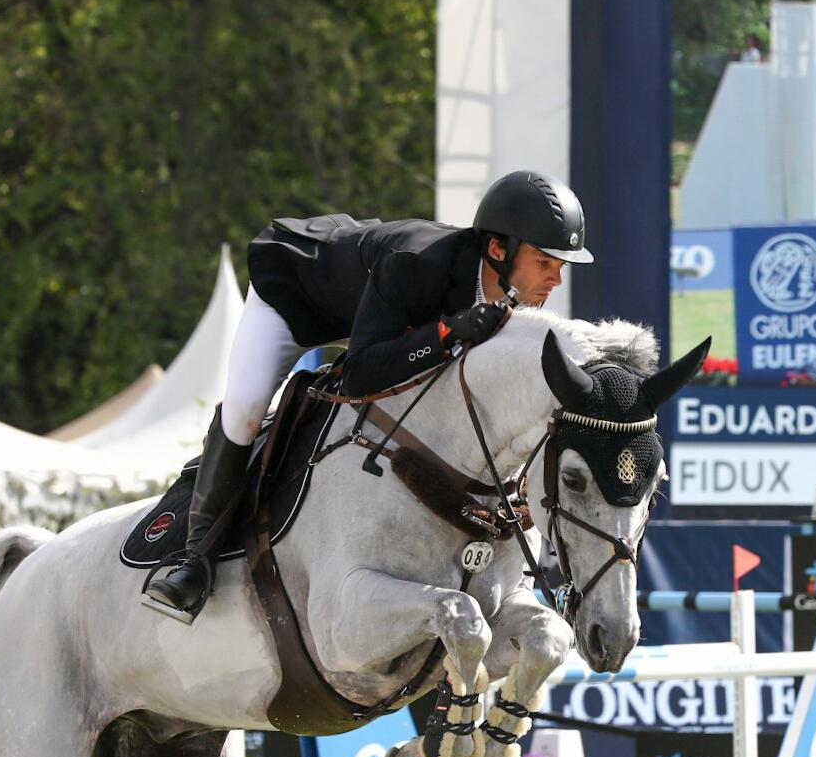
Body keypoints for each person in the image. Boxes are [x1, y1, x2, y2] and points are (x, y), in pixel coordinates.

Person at [143, 170, 594, 623]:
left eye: (560, 266)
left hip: (369, 314)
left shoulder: (507, 297)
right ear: (499, 249)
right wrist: (443, 332)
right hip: (296, 300)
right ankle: (193, 561)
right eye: (544, 263)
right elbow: (359, 376)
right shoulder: (418, 264)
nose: (555, 279)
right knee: (244, 413)